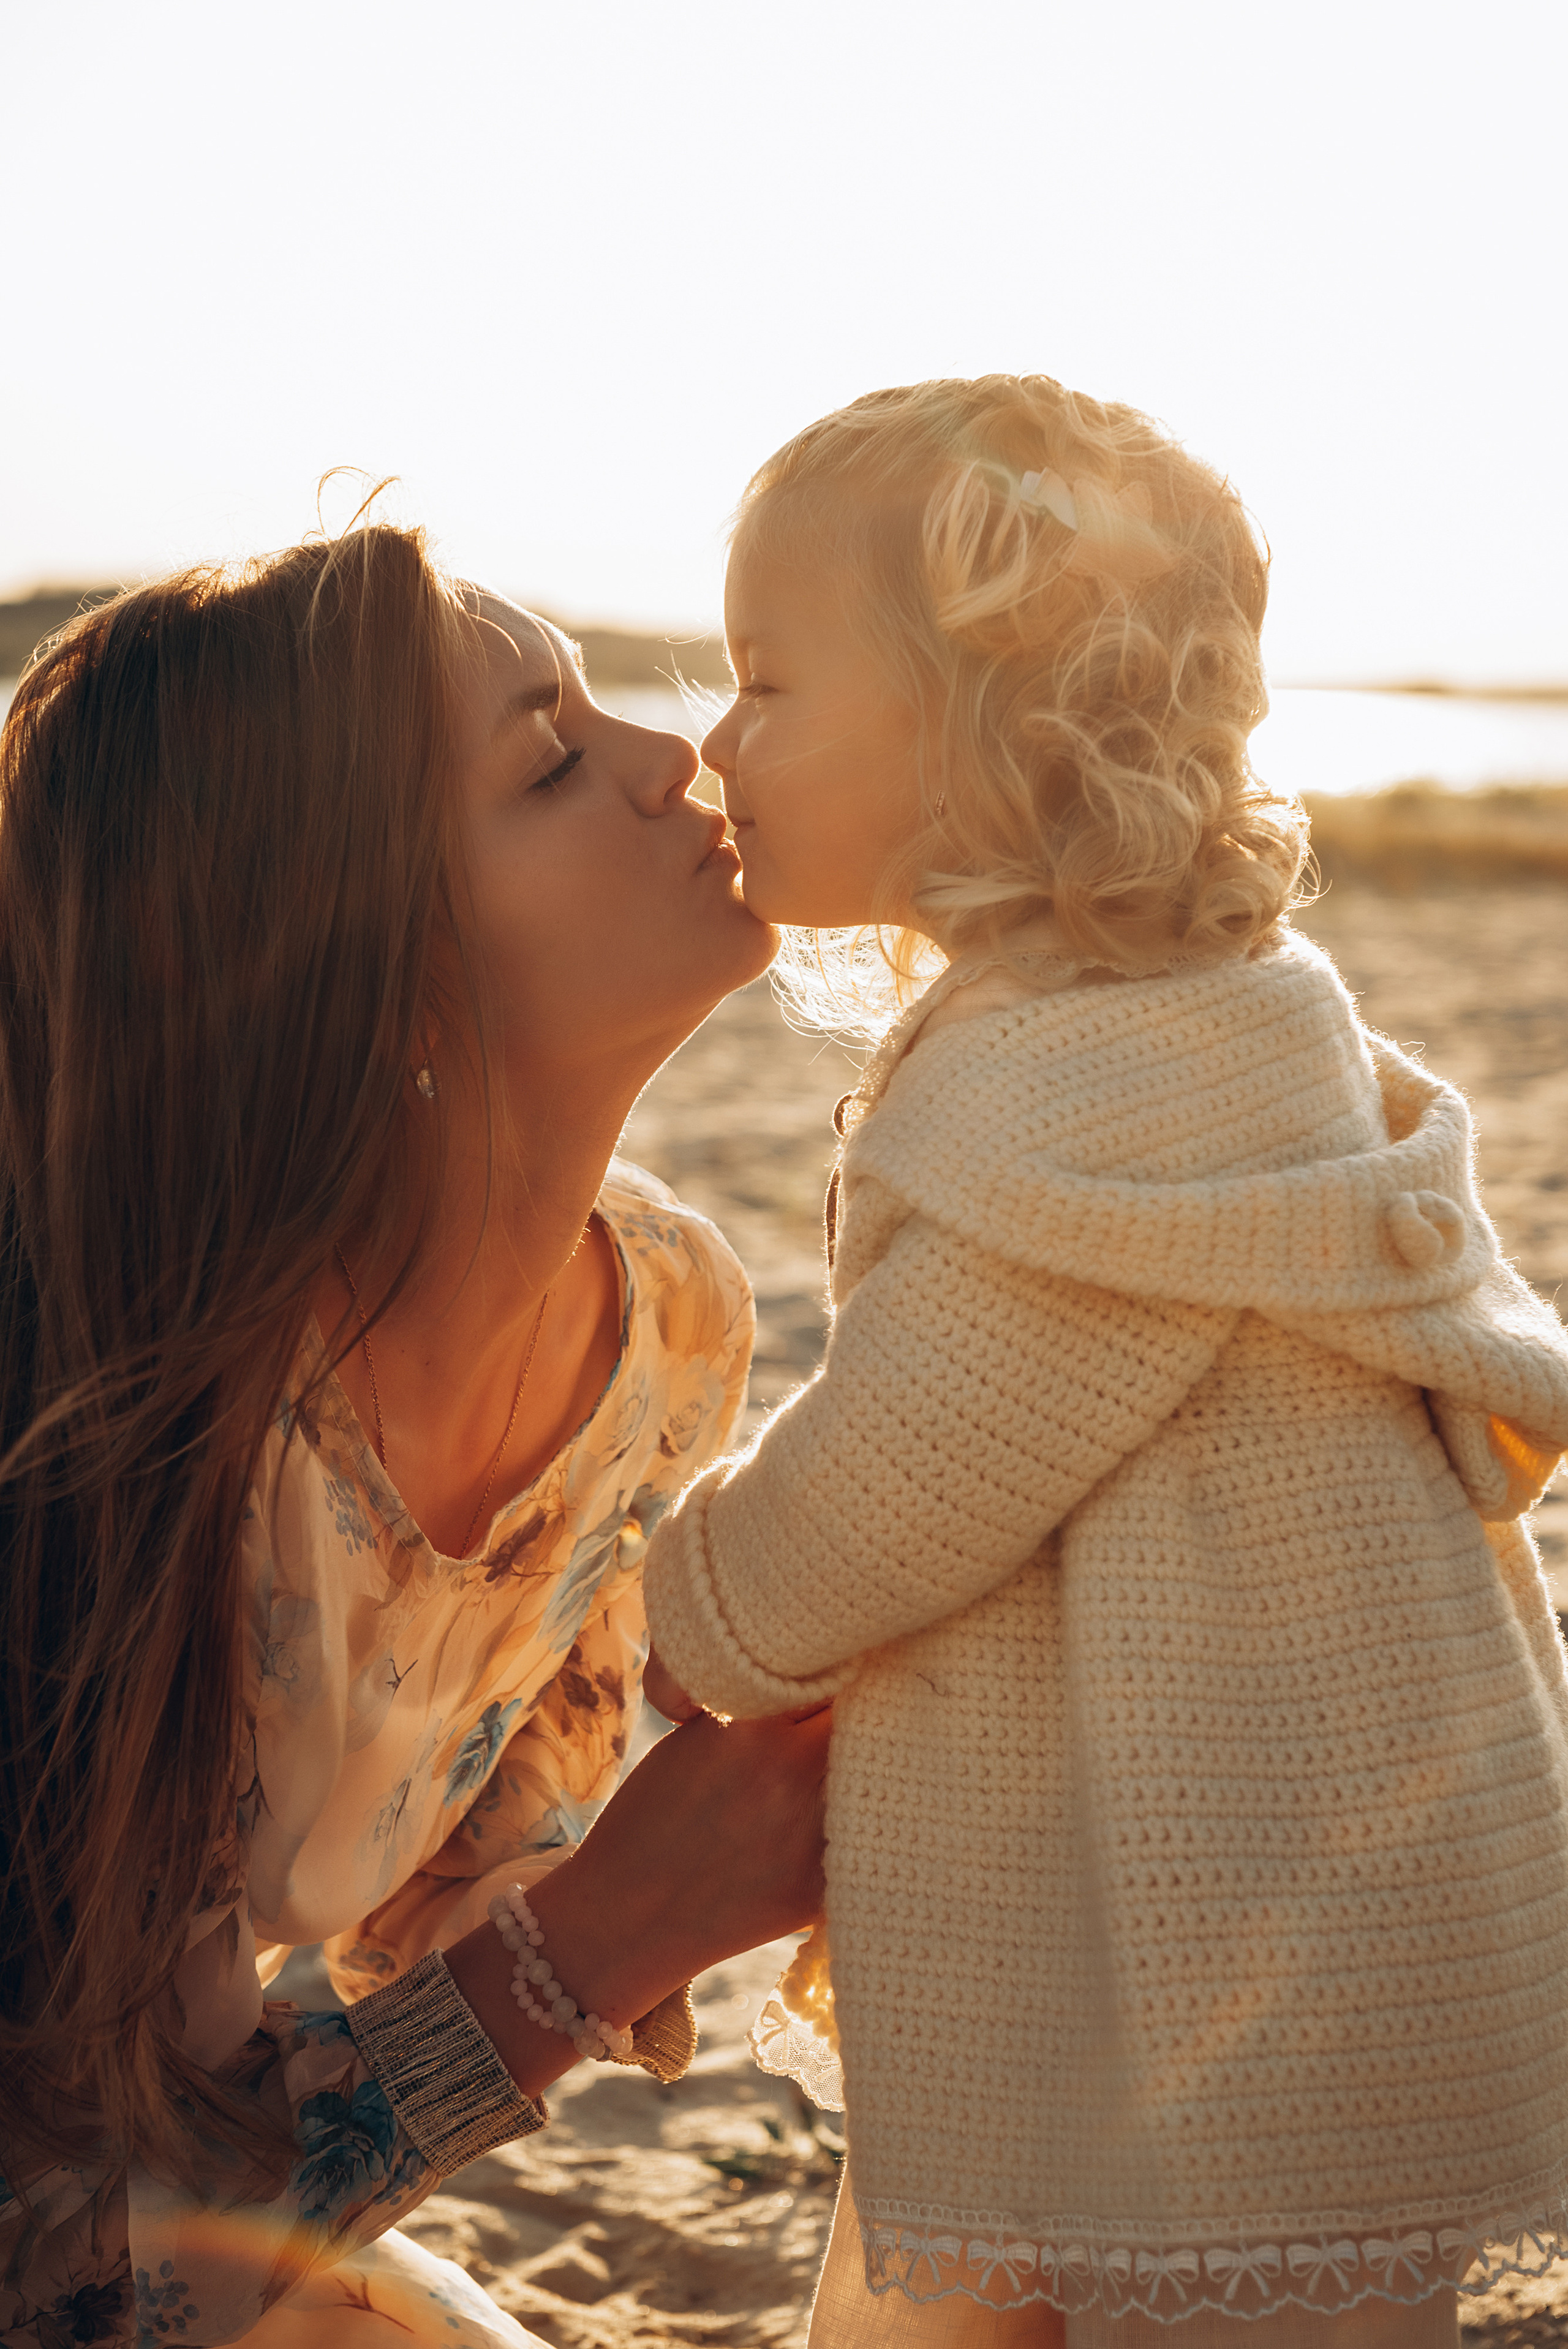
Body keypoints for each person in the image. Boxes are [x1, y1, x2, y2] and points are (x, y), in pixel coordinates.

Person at [640, 375, 1568, 2349]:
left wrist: (691, 1596)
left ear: (993, 729)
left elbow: (879, 1504)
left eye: (769, 682)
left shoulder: (1075, 1082)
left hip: (1194, 1966)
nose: (716, 744)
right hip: (1321, 1901)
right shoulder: (1232, 1015)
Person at [0, 522, 830, 2348]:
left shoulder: (671, 1325)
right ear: (370, 979)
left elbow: (446, 1919)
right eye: (548, 765)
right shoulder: (134, 1449)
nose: (672, 756)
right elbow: (77, 2269)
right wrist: (610, 1933)